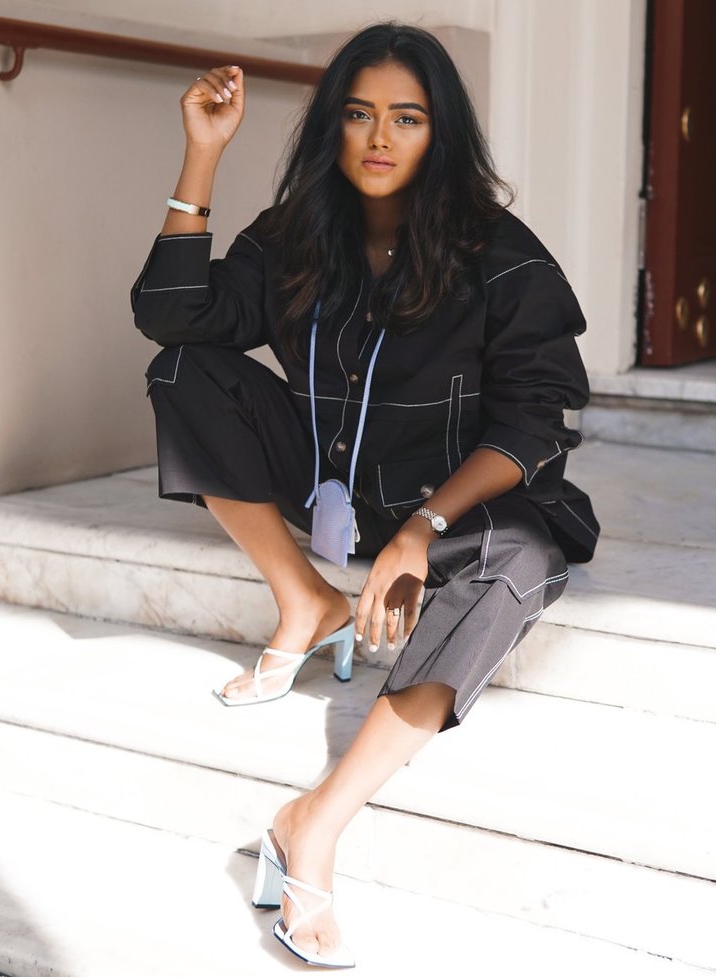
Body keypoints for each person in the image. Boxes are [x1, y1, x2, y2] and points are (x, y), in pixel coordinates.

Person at [131, 22, 599, 969]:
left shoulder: (498, 254)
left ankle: (314, 821)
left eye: (407, 117)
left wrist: (423, 530)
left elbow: (537, 417)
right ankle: (306, 599)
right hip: (334, 481)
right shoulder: (301, 234)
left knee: (523, 558)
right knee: (184, 369)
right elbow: (173, 315)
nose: (379, 137)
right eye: (358, 114)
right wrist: (203, 154)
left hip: (453, 506)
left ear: (441, 134)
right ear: (332, 130)